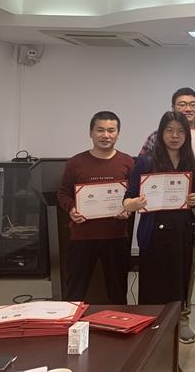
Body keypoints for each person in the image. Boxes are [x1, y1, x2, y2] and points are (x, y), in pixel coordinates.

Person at [139, 86, 195, 344]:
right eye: (182, 104)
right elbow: (143, 177)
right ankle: (153, 322)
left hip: (189, 215)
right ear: (173, 107)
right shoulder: (155, 140)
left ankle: (181, 319)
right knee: (157, 274)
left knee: (185, 270)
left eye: (192, 104)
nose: (188, 108)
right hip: (158, 218)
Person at [123, 112, 195, 310]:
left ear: (187, 135)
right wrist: (136, 203)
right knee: (154, 289)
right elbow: (127, 202)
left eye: (180, 131)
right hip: (155, 233)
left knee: (177, 287)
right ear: (160, 133)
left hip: (181, 233)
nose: (175, 136)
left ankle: (174, 326)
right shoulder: (146, 161)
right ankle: (152, 326)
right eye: (169, 130)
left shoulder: (190, 162)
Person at [57, 111, 134, 304]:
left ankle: (119, 322)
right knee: (75, 291)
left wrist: (129, 208)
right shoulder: (75, 162)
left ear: (118, 134)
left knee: (118, 292)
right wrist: (72, 208)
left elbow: (136, 195)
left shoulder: (127, 162)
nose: (105, 135)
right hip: (82, 236)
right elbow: (63, 193)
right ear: (91, 132)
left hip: (116, 237)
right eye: (100, 130)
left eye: (111, 130)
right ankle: (71, 322)